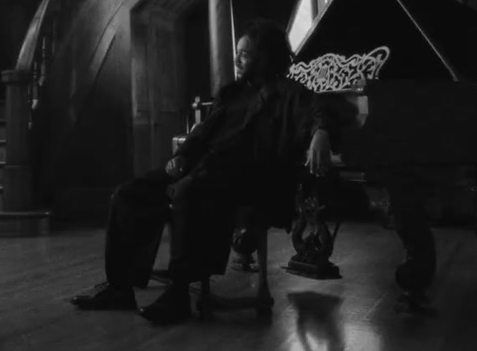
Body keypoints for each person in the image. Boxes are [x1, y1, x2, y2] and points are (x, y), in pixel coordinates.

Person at [70, 19, 343, 325]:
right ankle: (120, 287)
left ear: (264, 56)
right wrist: (182, 156)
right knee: (128, 194)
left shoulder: (288, 92)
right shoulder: (232, 92)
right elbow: (202, 132)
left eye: (245, 54)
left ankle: (179, 294)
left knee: (191, 193)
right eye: (238, 53)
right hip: (201, 167)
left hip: (247, 179)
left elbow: (320, 110)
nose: (238, 60)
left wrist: (320, 133)